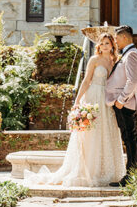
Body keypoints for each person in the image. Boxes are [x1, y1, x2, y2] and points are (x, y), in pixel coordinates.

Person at [23, 32, 125, 188]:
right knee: (91, 134)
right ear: (99, 45)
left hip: (107, 100)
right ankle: (89, 171)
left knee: (107, 133)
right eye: (102, 43)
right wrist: (77, 101)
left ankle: (106, 171)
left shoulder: (114, 61)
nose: (105, 46)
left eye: (107, 43)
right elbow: (86, 81)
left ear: (112, 45)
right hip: (93, 98)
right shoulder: (94, 60)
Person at [105, 25, 137, 187]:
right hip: (123, 104)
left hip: (126, 104)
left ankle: (131, 176)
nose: (115, 41)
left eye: (117, 38)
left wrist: (121, 100)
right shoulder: (126, 53)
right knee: (131, 137)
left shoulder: (132, 54)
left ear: (125, 38)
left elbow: (133, 81)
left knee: (130, 138)